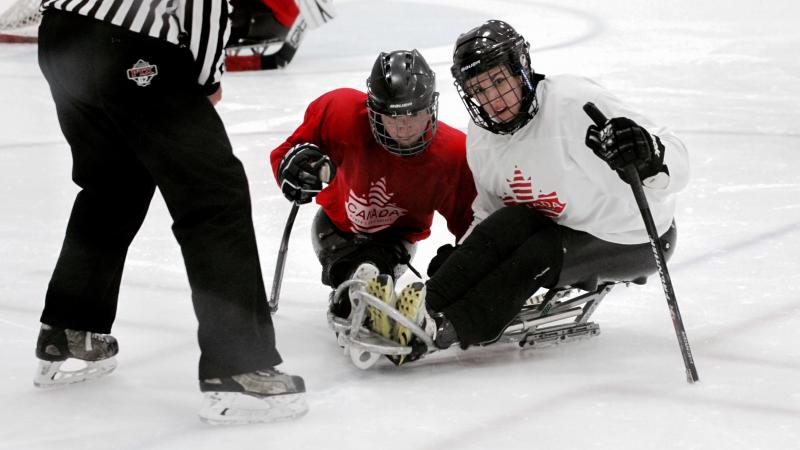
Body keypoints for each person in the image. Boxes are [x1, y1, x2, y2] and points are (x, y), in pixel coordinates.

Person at [34, 0, 306, 424]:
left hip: (61, 34)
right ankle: (238, 367)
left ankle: (69, 331)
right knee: (214, 197)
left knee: (113, 186)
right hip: (128, 45)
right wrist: (205, 78)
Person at [380, 20, 690, 362]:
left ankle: (447, 328)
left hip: (635, 234)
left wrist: (647, 154)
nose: (492, 99)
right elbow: (490, 217)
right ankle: (421, 307)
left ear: (521, 68)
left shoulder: (574, 103)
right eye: (479, 91)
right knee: (510, 221)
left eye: (498, 81)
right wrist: (459, 260)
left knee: (538, 251)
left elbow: (677, 158)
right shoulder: (484, 139)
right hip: (566, 226)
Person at [269, 49, 476, 362]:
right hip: (335, 228)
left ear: (430, 108)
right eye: (394, 117)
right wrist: (297, 169)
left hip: (394, 241)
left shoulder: (452, 154)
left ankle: (360, 294)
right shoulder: (339, 112)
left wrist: (466, 268)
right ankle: (358, 295)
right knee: (356, 265)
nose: (405, 128)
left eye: (414, 115)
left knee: (374, 264)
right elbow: (288, 152)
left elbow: (472, 225)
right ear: (374, 111)